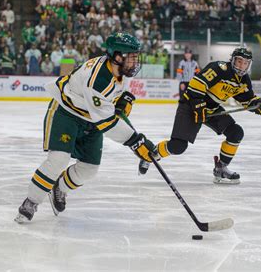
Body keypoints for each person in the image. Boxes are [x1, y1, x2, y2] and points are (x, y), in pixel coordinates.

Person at [14, 32, 158, 223]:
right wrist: (135, 141)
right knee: (58, 160)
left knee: (89, 168)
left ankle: (60, 188)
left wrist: (123, 100)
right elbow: (108, 123)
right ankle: (31, 201)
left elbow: (116, 96)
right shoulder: (98, 80)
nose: (135, 62)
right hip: (67, 112)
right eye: (131, 57)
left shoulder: (120, 69)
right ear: (117, 57)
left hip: (92, 117)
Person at [138, 47, 261, 184]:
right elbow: (197, 83)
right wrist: (198, 105)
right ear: (232, 60)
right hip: (190, 105)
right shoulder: (219, 68)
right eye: (239, 61)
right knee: (178, 146)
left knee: (236, 133)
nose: (242, 66)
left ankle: (221, 168)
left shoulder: (244, 80)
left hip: (211, 109)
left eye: (245, 63)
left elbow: (247, 99)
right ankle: (152, 154)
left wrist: (258, 105)